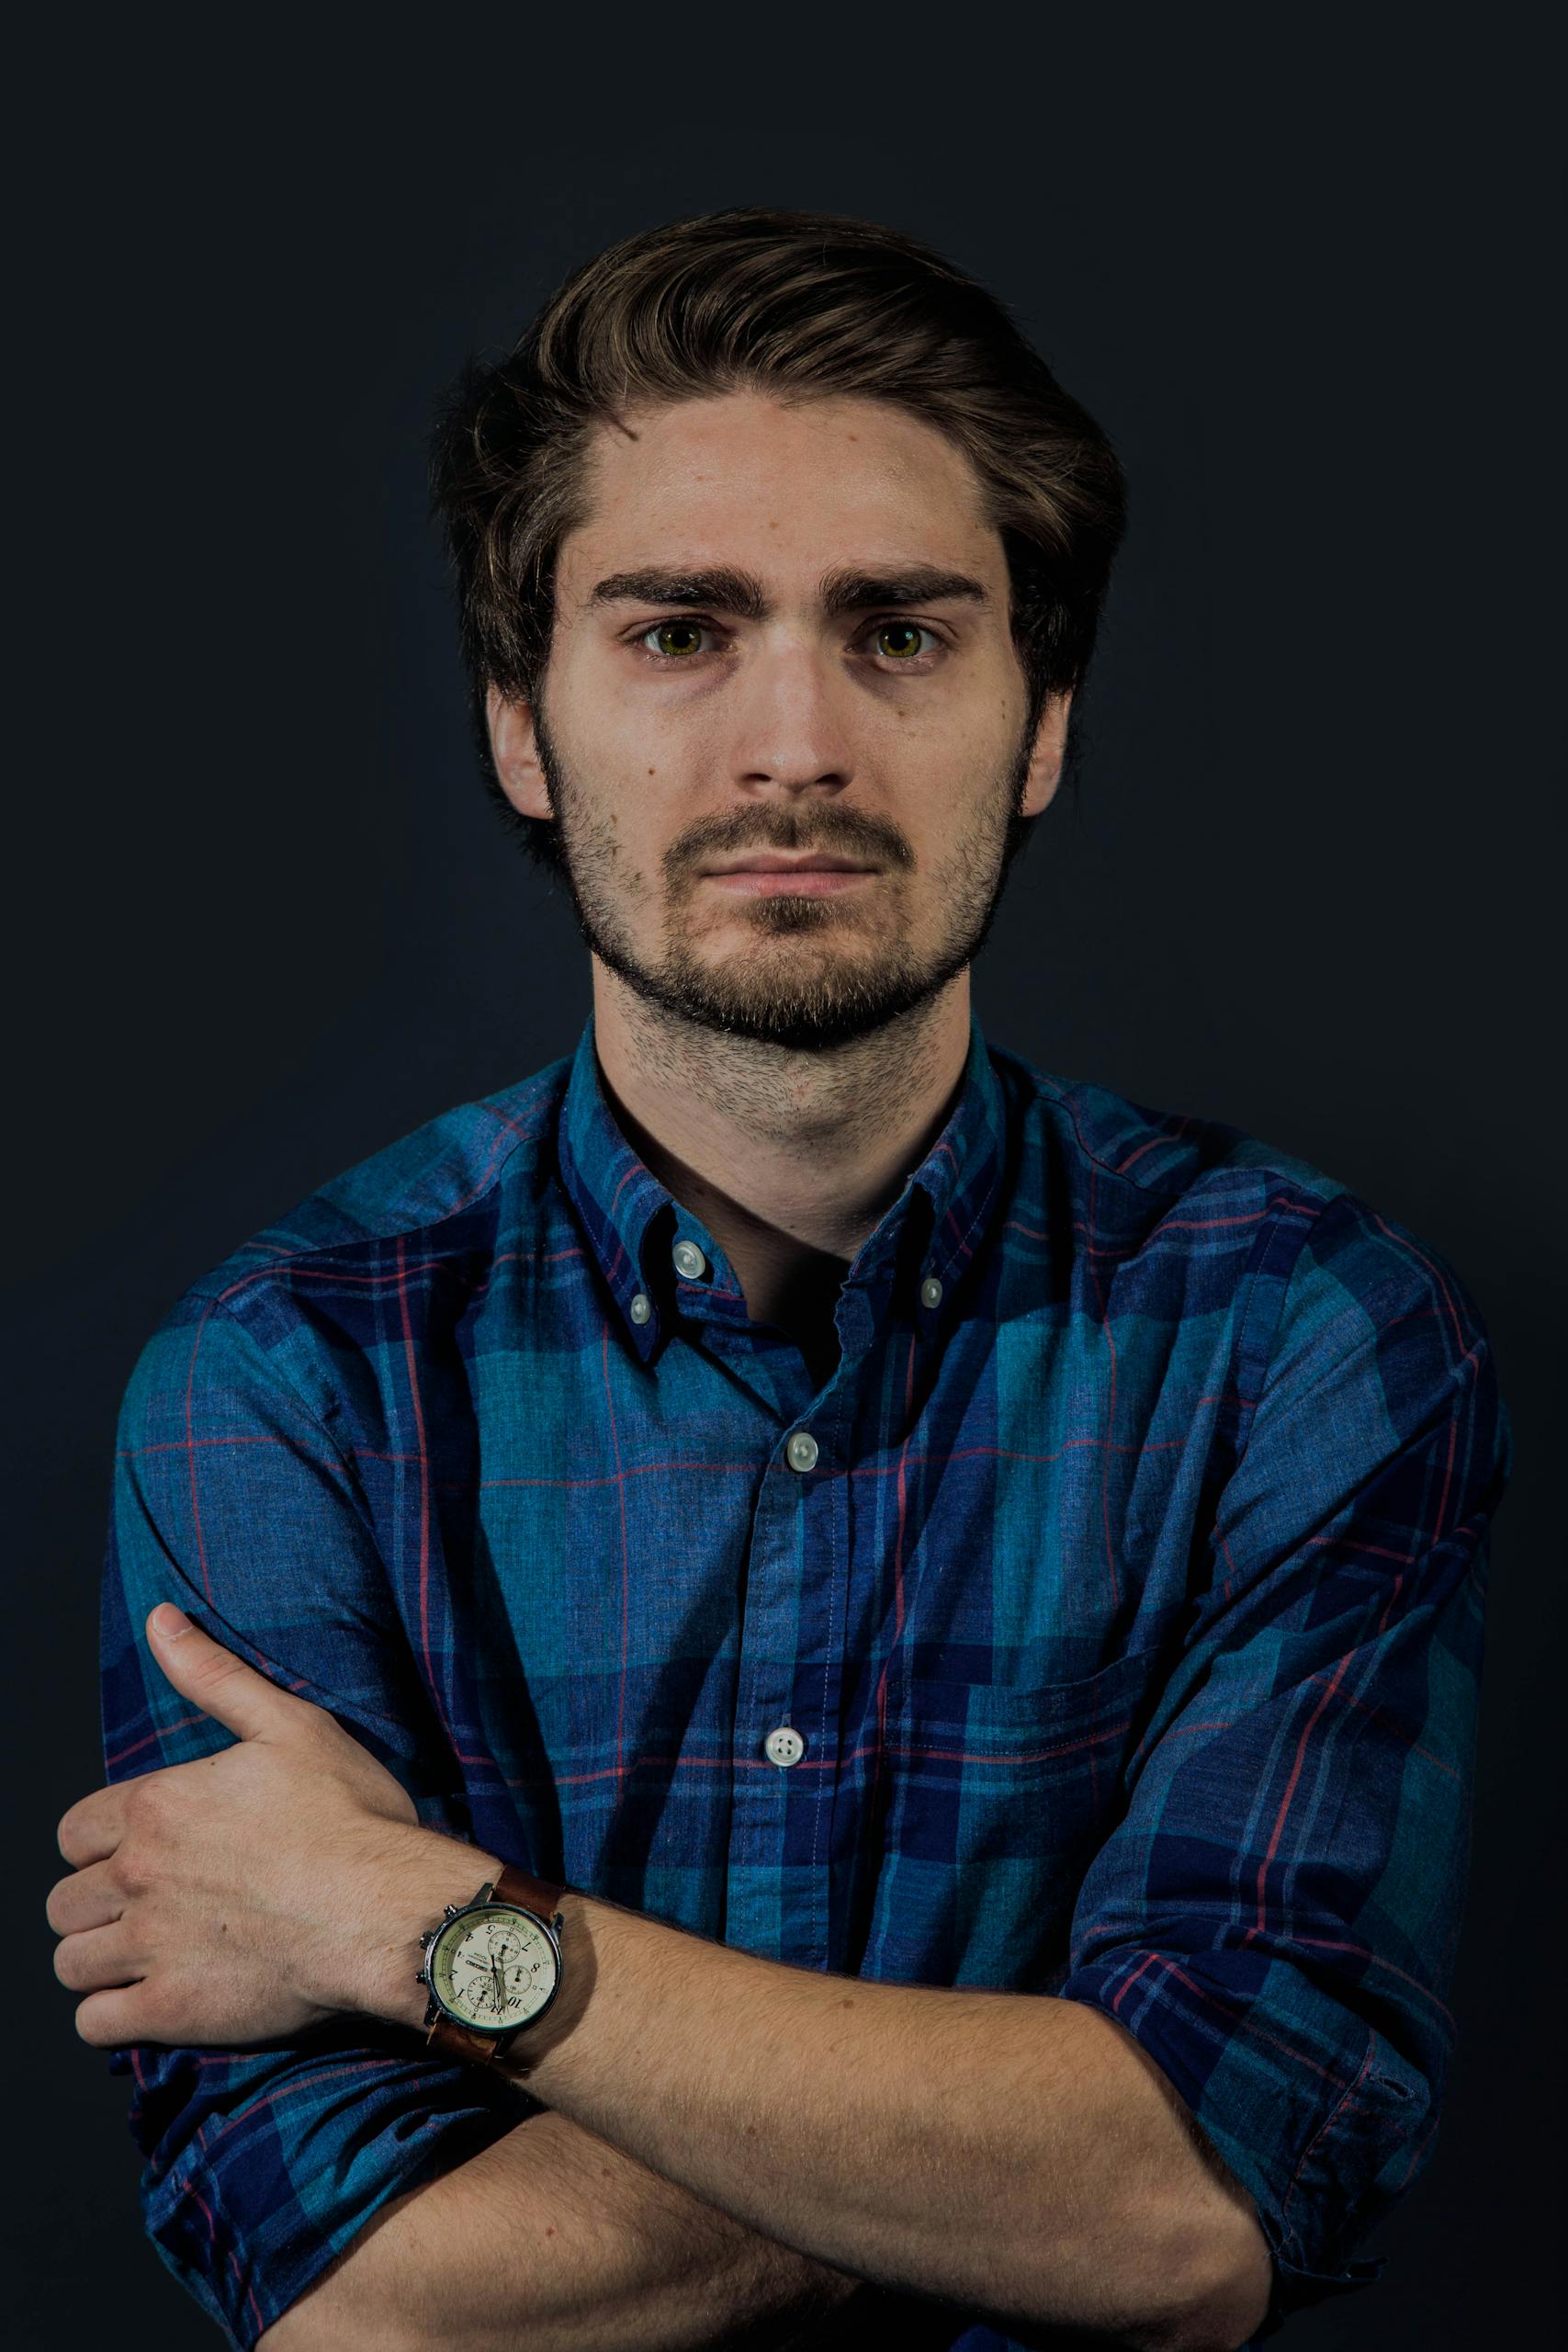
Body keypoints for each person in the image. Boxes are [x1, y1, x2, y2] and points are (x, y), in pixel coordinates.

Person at [47, 208, 1512, 2352]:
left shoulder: (1307, 1334)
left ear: (1041, 722)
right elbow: (379, 2305)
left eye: (901, 631)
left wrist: (422, 1922)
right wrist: (1015, 2106)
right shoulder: (280, 1382)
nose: (795, 745)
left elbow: (1185, 2215)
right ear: (520, 729)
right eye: (674, 630)